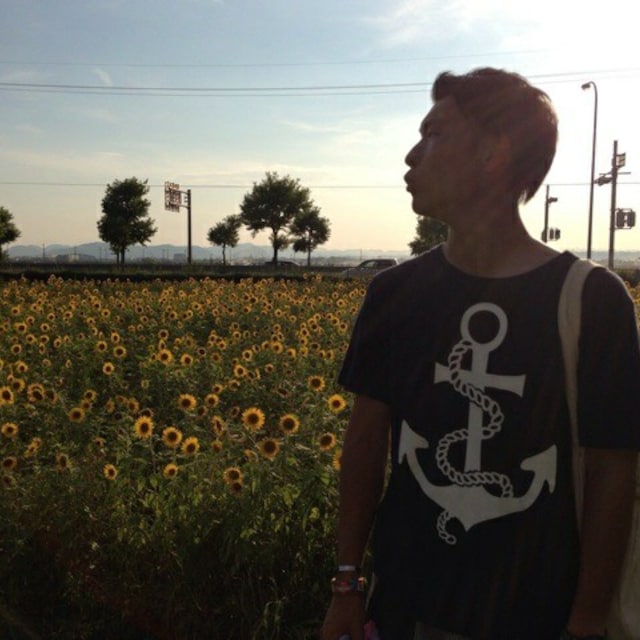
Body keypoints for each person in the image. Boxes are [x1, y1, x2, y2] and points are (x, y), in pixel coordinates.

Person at [321, 68, 640, 640]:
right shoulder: (393, 294)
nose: (411, 156)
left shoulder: (593, 301)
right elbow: (366, 441)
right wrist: (347, 584)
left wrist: (587, 622)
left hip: (542, 618)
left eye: (434, 134)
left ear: (494, 152)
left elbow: (614, 467)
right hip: (405, 609)